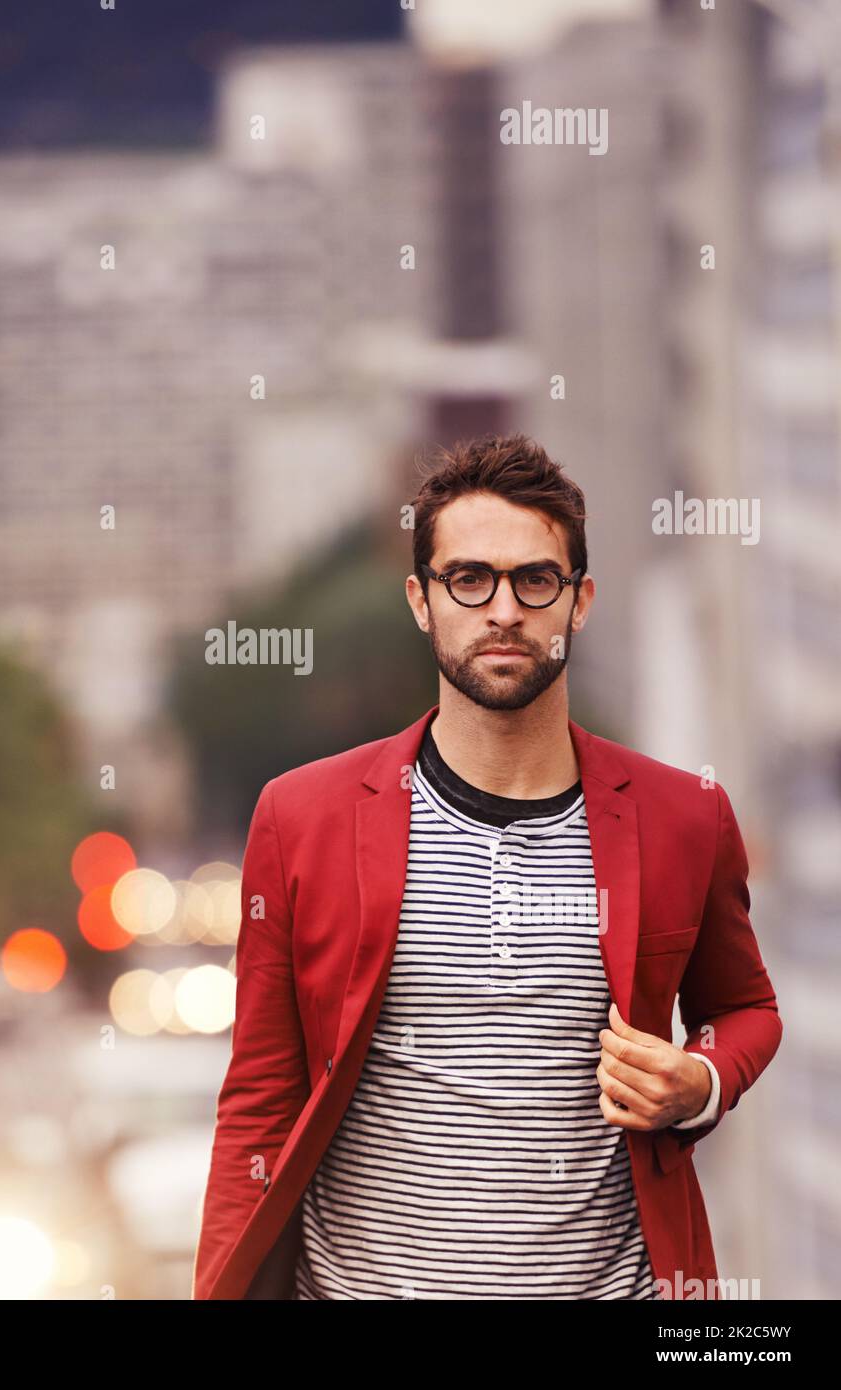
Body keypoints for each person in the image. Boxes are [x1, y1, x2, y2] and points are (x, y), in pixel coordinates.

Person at [192, 432, 781, 1301]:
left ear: (578, 602)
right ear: (421, 601)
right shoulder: (301, 817)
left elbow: (744, 1009)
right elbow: (259, 1098)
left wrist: (696, 1081)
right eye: (468, 579)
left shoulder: (683, 814)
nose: (502, 610)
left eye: (533, 580)